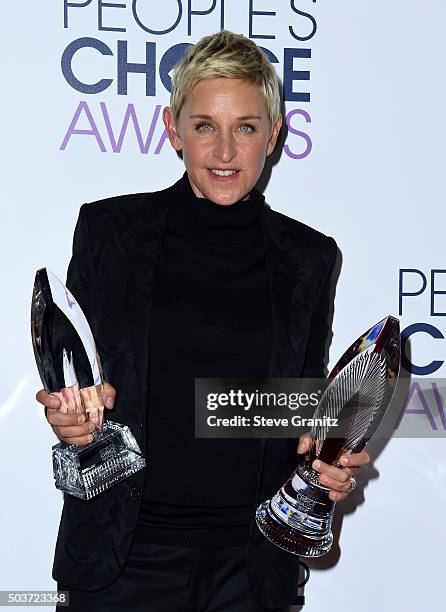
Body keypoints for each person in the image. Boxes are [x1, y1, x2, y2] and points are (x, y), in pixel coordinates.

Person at [36, 30, 370, 612]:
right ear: (173, 130)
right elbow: (80, 383)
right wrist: (72, 422)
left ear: (273, 135)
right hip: (123, 561)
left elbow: (299, 410)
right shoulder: (110, 234)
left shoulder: (310, 259)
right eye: (204, 126)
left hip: (252, 569)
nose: (224, 151)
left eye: (244, 126)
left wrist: (324, 471)